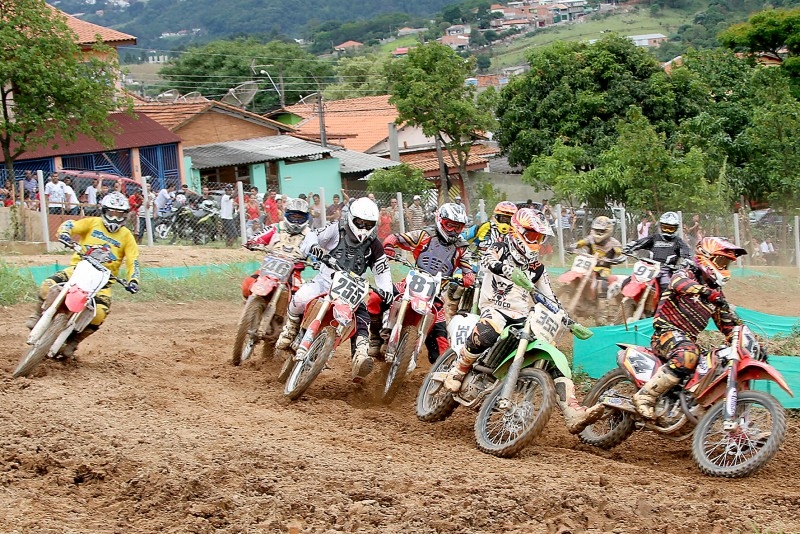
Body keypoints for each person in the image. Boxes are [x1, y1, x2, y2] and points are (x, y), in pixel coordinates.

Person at [443, 209, 604, 433]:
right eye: (531, 236)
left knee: (553, 358)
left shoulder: (536, 268)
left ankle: (572, 412)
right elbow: (487, 260)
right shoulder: (501, 246)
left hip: (521, 315)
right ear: (518, 231)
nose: (535, 242)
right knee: (490, 331)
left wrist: (569, 321)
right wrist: (506, 269)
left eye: (539, 238)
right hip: (494, 306)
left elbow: (549, 297)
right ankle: (459, 370)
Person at [274, 197, 394, 382]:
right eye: (360, 222)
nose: (363, 227)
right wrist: (314, 247)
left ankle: (360, 356)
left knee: (362, 317)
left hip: (352, 287)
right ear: (351, 218)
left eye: (368, 224)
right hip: (325, 280)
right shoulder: (336, 229)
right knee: (300, 297)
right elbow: (313, 235)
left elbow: (382, 269)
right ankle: (291, 328)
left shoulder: (374, 245)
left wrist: (385, 289)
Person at [631, 237, 746, 419]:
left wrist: (745, 341)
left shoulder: (716, 294)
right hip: (665, 334)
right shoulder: (686, 273)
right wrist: (705, 292)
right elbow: (678, 283)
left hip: (686, 340)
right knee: (688, 354)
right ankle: (645, 396)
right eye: (721, 261)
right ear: (705, 256)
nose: (724, 267)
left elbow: (728, 325)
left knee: (713, 364)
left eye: (727, 264)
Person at [25, 192, 140, 357]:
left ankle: (74, 341)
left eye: (119, 214)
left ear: (125, 215)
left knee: (99, 314)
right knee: (47, 286)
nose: (114, 218)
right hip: (78, 269)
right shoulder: (93, 223)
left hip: (103, 282)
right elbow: (71, 225)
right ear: (104, 211)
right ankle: (37, 314)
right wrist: (64, 233)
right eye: (111, 213)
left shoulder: (127, 237)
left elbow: (133, 260)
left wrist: (134, 280)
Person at [380, 203, 474, 366]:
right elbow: (396, 237)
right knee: (377, 297)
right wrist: (388, 245)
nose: (452, 230)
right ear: (440, 220)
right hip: (410, 283)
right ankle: (374, 339)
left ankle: (437, 373)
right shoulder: (425, 234)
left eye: (457, 227)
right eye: (449, 225)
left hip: (435, 294)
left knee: (441, 337)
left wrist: (468, 277)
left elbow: (468, 269)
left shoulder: (461, 247)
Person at [242, 198, 311, 299]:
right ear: (286, 215)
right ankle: (250, 305)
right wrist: (253, 242)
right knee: (247, 284)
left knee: (300, 298)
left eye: (300, 218)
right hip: (269, 268)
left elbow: (316, 250)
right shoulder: (276, 227)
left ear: (306, 218)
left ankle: (292, 315)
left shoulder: (310, 235)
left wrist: (319, 259)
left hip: (293, 272)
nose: (296, 221)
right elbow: (259, 237)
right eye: (293, 217)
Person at [567, 215, 623, 325]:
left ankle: (602, 315)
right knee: (571, 275)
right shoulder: (590, 239)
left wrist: (618, 258)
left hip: (603, 269)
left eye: (601, 230)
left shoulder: (614, 243)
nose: (599, 232)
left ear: (608, 230)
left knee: (601, 286)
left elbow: (620, 253)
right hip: (587, 267)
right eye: (597, 230)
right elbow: (580, 243)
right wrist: (572, 246)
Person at [623, 211, 692, 294]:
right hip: (649, 268)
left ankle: (662, 306)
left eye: (671, 228)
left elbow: (686, 252)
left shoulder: (678, 241)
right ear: (661, 226)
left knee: (665, 288)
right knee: (627, 282)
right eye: (665, 227)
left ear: (676, 229)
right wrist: (629, 247)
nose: (667, 231)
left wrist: (686, 261)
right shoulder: (655, 238)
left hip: (666, 270)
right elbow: (640, 242)